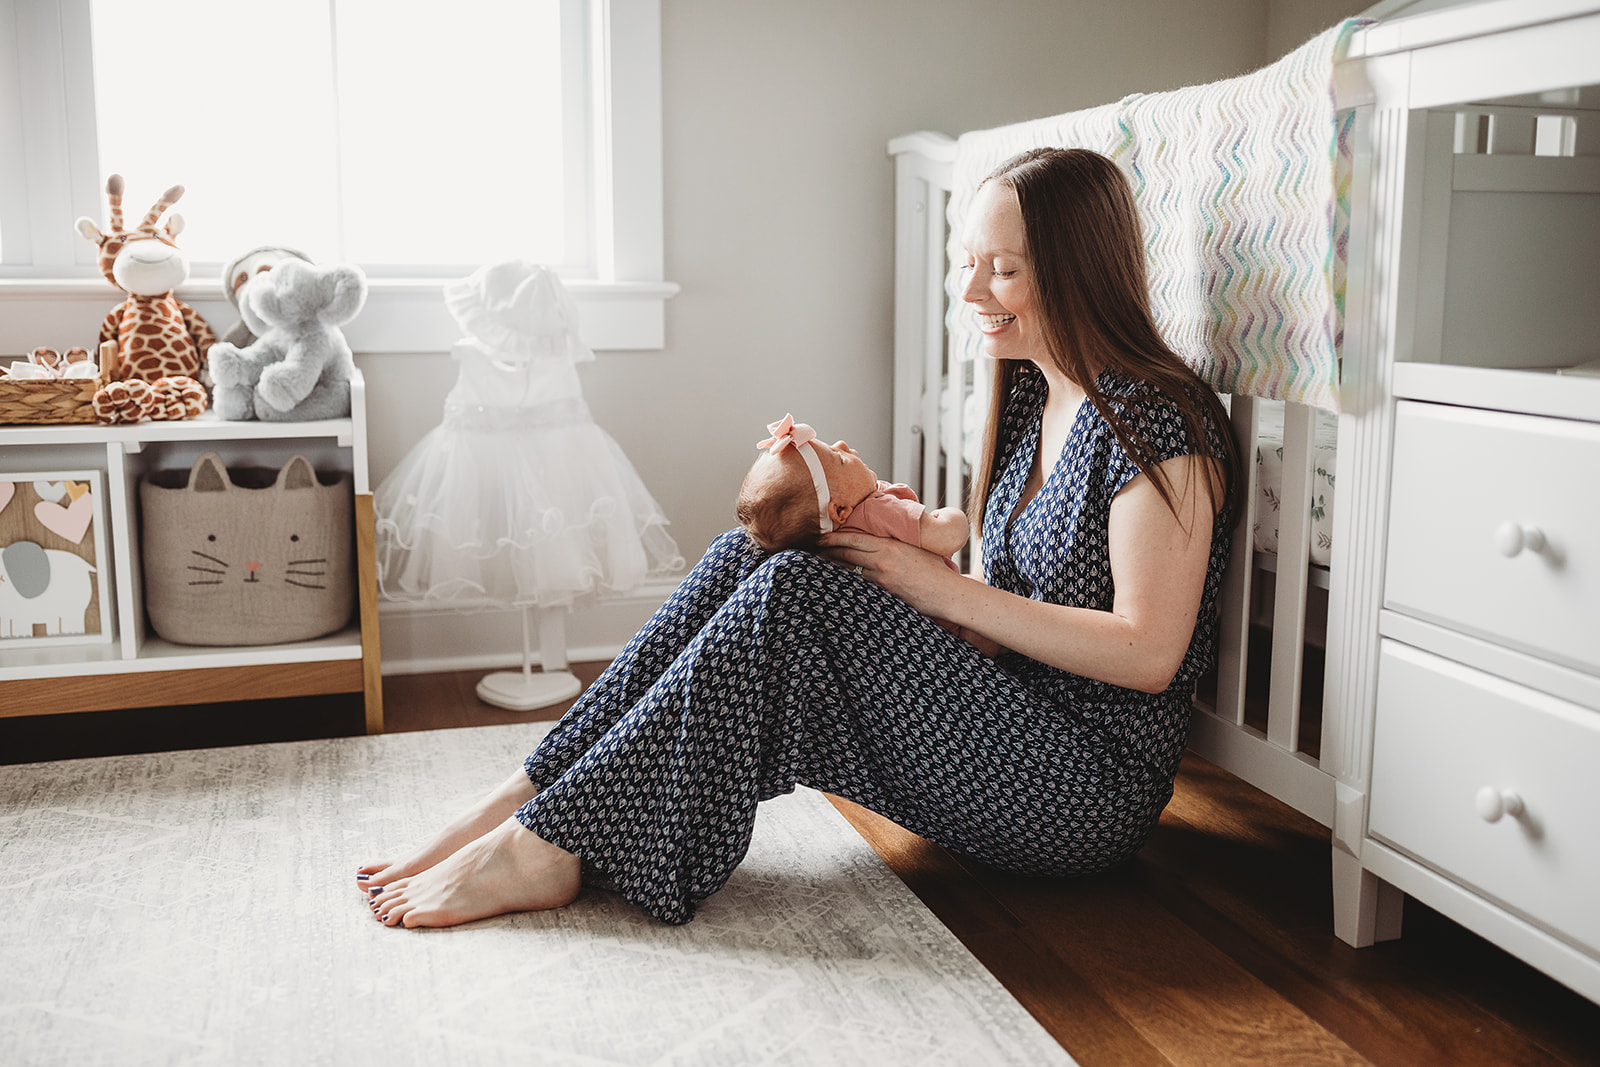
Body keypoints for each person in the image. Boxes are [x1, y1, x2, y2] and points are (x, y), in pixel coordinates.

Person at [357, 146, 1241, 931]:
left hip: (1079, 792)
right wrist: (868, 556)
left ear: (1080, 271)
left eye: (1002, 270)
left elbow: (1149, 650)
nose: (970, 293)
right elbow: (1014, 619)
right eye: (967, 264)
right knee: (758, 554)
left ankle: (547, 840)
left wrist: (930, 587)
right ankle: (540, 790)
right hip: (1004, 724)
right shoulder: (1031, 398)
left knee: (797, 595)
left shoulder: (1158, 419)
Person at [736, 412, 968, 557]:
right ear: (839, 510)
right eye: (840, 459)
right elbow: (948, 538)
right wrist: (949, 515)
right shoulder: (877, 513)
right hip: (946, 623)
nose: (842, 444)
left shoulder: (828, 548)